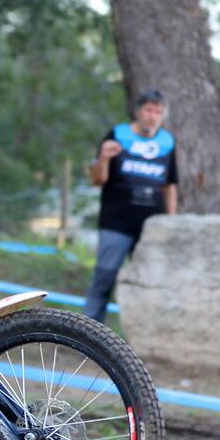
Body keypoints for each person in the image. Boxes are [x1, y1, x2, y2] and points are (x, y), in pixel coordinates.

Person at [82, 89, 178, 323]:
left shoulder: (167, 141)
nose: (152, 116)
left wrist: (171, 222)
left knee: (151, 281)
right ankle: (87, 332)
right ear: (138, 112)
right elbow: (96, 180)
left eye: (158, 111)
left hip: (151, 227)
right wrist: (104, 158)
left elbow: (170, 185)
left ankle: (142, 336)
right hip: (116, 222)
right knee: (104, 277)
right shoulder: (118, 135)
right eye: (148, 110)